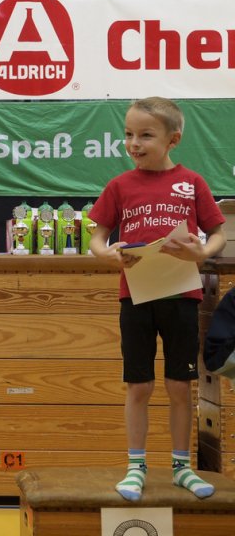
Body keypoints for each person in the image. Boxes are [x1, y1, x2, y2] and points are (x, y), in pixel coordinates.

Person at [89, 96, 226, 501]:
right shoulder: (119, 186)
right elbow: (97, 238)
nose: (134, 143)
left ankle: (182, 468)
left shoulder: (192, 182)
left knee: (179, 385)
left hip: (182, 294)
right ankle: (136, 467)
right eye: (129, 134)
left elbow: (217, 234)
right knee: (139, 386)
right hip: (135, 296)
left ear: (173, 139)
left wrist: (202, 252)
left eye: (145, 135)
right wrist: (108, 254)